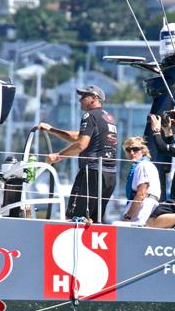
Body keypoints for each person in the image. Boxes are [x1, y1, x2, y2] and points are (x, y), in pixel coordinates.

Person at [38, 85, 117, 222]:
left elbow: (81, 144)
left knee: (75, 217)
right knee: (95, 219)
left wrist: (58, 157)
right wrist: (52, 130)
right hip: (109, 175)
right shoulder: (107, 117)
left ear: (94, 98)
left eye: (84, 97)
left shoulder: (89, 115)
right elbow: (79, 137)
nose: (80, 100)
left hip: (91, 172)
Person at [120, 137, 160, 225]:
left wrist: (128, 216)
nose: (131, 153)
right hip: (142, 206)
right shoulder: (144, 165)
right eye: (128, 150)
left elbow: (141, 194)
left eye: (135, 149)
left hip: (142, 209)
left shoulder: (143, 166)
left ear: (143, 150)